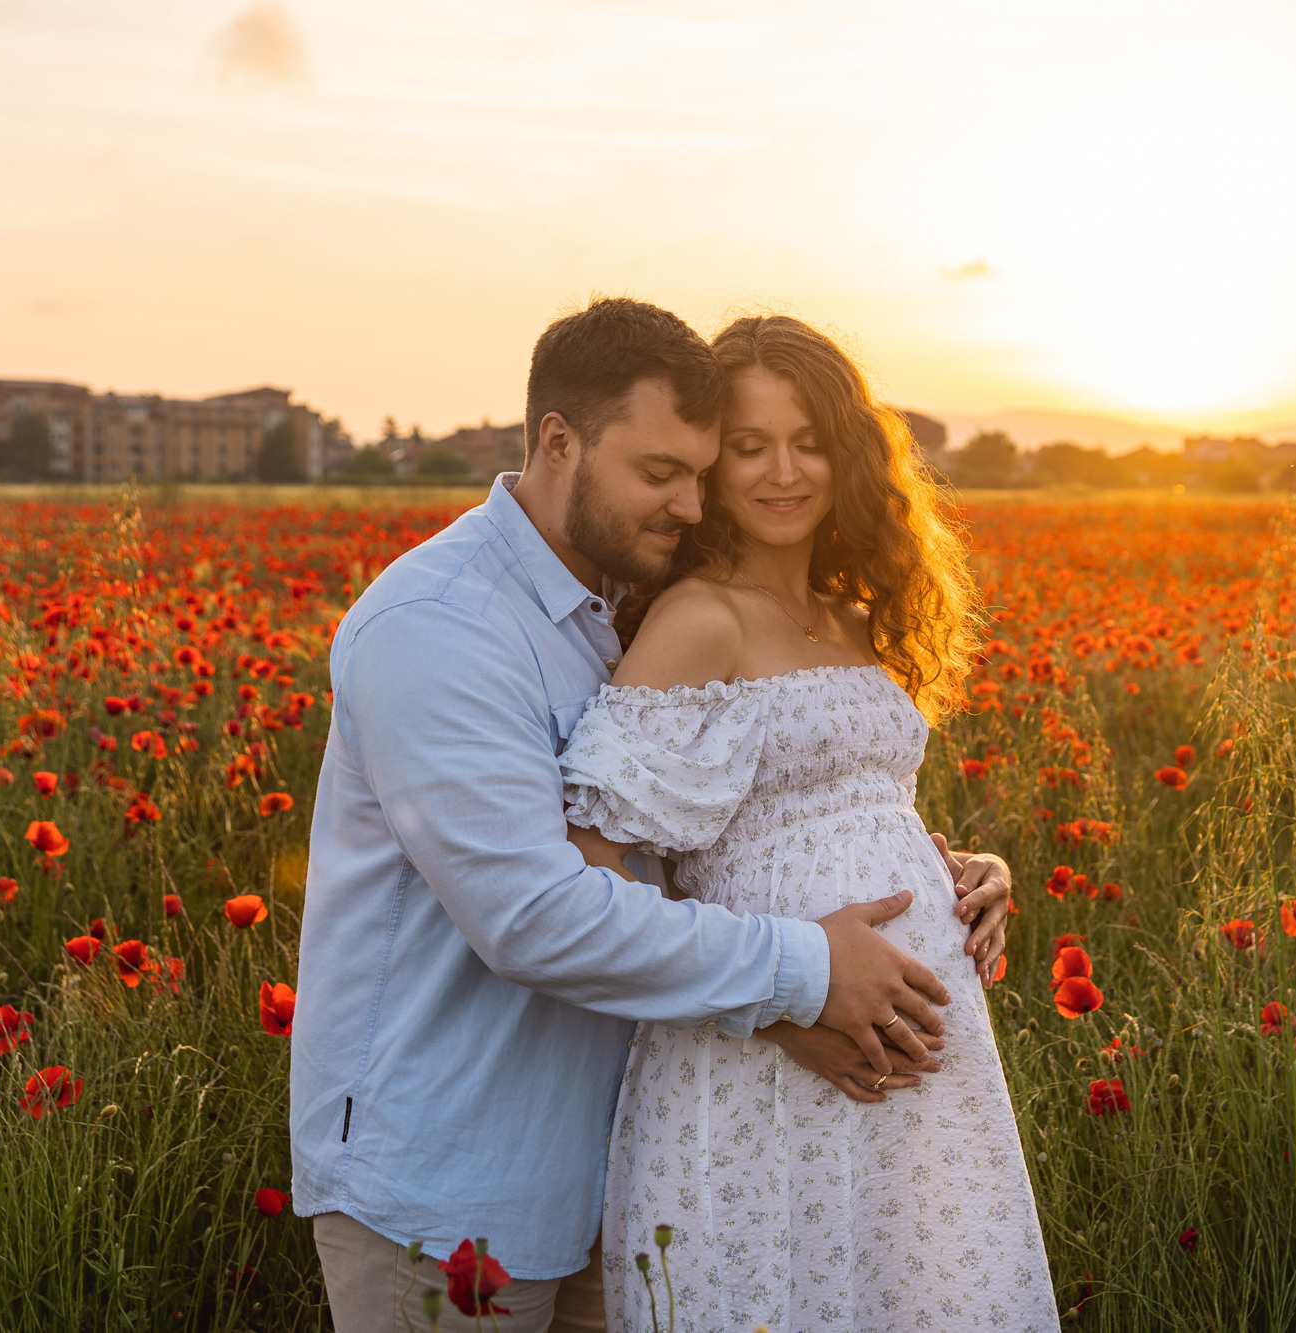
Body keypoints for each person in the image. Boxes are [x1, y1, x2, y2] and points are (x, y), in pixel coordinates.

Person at [290, 298, 1014, 1332]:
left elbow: (699, 841)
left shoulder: (608, 601)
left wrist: (943, 868)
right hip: (451, 1170)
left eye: (695, 469)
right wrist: (800, 980)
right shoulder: (441, 630)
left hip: (625, 1143)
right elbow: (536, 914)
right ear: (557, 443)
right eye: (660, 472)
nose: (688, 501)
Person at [561, 314, 1060, 1331]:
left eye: (808, 441)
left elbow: (861, 811)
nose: (782, 471)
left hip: (913, 1062)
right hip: (761, 1055)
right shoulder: (700, 617)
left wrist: (971, 870)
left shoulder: (855, 615)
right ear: (709, 464)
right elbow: (592, 871)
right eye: (748, 447)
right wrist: (781, 1005)